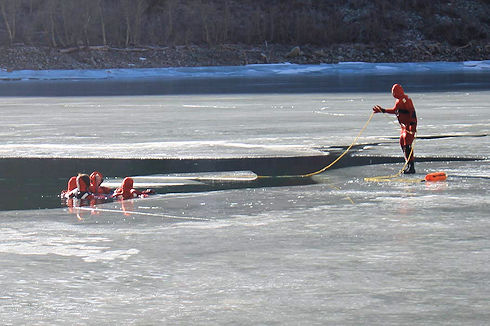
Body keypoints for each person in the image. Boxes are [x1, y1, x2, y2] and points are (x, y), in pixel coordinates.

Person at [373, 83, 417, 174]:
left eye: (395, 92)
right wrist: (383, 110)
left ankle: (411, 167)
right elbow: (395, 110)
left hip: (409, 126)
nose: (393, 94)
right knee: (402, 143)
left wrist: (412, 126)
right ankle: (408, 164)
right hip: (404, 127)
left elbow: (412, 113)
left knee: (407, 144)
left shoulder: (406, 100)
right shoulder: (398, 101)